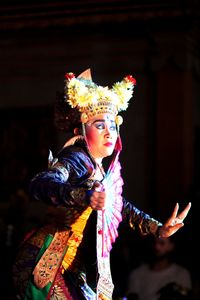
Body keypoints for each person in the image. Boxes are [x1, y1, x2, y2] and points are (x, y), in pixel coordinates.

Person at [12, 69, 191, 300]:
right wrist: (83, 196)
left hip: (75, 266)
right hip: (47, 262)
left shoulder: (100, 171)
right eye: (99, 126)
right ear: (81, 130)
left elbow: (121, 207)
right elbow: (41, 183)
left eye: (113, 126)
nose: (109, 132)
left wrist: (159, 229)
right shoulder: (76, 158)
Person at [126, 236, 192, 300]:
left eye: (162, 243)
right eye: (154, 242)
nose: (156, 246)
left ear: (171, 246)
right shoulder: (137, 273)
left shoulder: (181, 274)